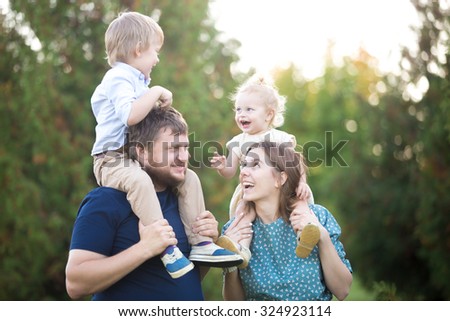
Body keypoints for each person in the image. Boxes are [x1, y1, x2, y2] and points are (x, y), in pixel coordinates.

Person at [90, 11, 238, 279]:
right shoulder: (118, 78)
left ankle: (201, 243)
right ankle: (166, 247)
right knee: (140, 182)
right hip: (110, 159)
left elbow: (145, 124)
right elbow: (130, 116)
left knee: (189, 178)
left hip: (132, 157)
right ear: (137, 50)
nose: (157, 58)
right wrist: (156, 91)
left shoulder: (135, 81)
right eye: (154, 52)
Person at [66, 106, 243, 300]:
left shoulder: (183, 202)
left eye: (185, 147)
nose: (184, 157)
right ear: (141, 151)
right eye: (173, 149)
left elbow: (187, 278)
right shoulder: (106, 200)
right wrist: (145, 249)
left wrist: (208, 242)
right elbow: (76, 284)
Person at [221, 141, 353, 301]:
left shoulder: (316, 217)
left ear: (280, 179)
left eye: (255, 165)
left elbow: (343, 290)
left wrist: (322, 236)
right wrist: (231, 264)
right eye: (243, 165)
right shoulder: (235, 229)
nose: (243, 172)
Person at [211, 74, 319, 268]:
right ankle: (240, 249)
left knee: (299, 201)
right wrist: (222, 167)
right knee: (242, 212)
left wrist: (302, 182)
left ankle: (305, 233)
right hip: (251, 190)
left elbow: (295, 161)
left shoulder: (277, 137)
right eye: (238, 109)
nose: (241, 114)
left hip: (284, 187)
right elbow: (230, 172)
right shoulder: (239, 141)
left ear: (269, 114)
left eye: (249, 109)